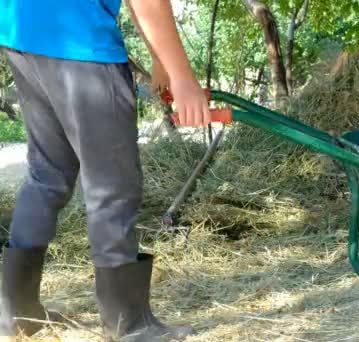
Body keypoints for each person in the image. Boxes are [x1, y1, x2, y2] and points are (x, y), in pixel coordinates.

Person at [0, 0, 210, 340]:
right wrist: (184, 79)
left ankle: (18, 312)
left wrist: (160, 59)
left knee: (47, 176)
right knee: (112, 187)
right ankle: (129, 325)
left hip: (21, 34)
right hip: (80, 40)